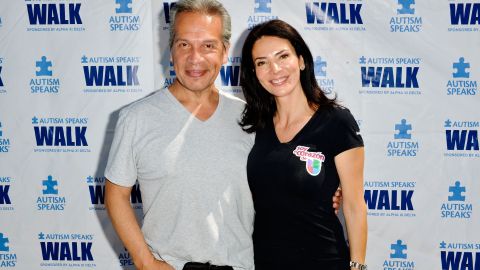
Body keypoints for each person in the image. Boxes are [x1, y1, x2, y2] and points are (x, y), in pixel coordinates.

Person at [104, 1, 342, 269]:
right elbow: (115, 194)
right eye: (184, 44)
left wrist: (324, 189)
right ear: (170, 50)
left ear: (225, 52)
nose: (195, 58)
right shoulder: (136, 118)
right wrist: (145, 261)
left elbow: (287, 172)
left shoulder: (252, 119)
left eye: (208, 46)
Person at [239, 19, 368, 270]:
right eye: (262, 62)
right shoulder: (254, 126)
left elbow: (354, 205)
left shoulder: (337, 121)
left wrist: (358, 266)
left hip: (324, 262)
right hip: (264, 263)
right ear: (254, 72)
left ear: (301, 60)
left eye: (283, 56)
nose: (275, 69)